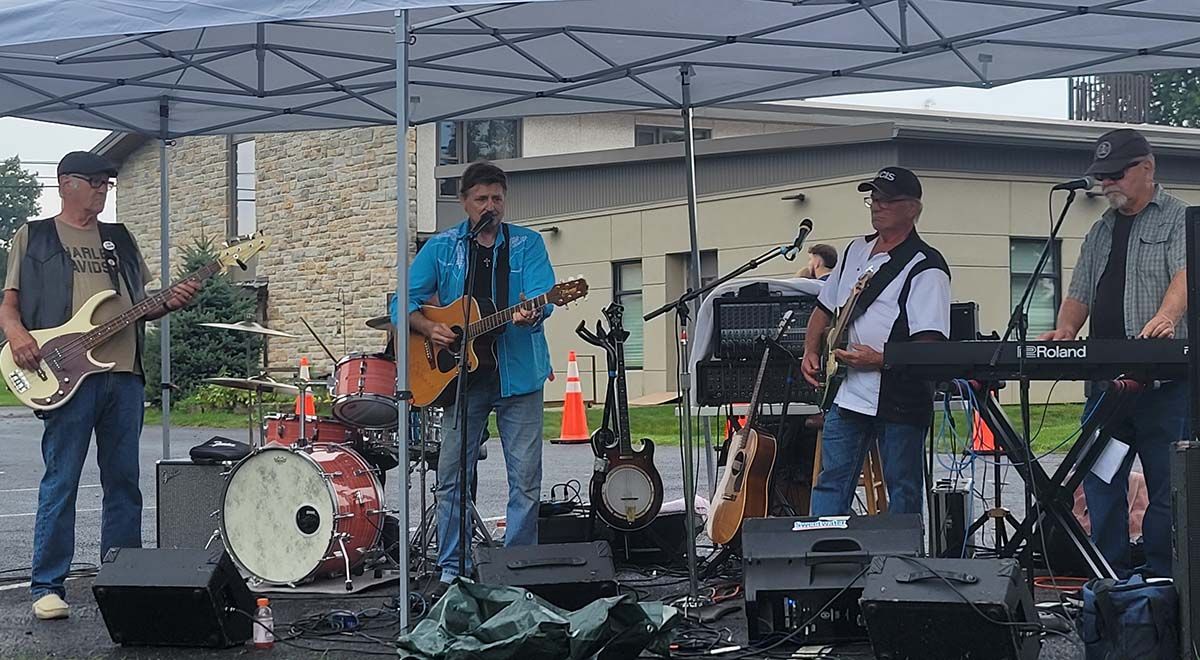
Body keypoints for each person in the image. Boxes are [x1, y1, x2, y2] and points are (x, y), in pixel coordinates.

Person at [0, 151, 200, 620]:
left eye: (106, 184)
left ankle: (122, 577)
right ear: (66, 183)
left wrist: (172, 302)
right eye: (94, 182)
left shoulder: (120, 239)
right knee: (62, 479)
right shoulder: (34, 235)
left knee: (124, 482)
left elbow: (142, 305)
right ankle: (47, 586)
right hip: (64, 373)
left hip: (123, 374)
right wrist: (17, 335)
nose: (102, 191)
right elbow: (9, 304)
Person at [392, 161, 556, 599]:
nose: (491, 206)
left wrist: (534, 312)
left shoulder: (528, 244)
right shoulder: (443, 247)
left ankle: (517, 565)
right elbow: (400, 301)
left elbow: (548, 297)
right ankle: (453, 567)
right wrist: (429, 329)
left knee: (525, 477)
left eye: (497, 198)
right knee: (451, 475)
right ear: (464, 202)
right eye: (481, 198)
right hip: (461, 379)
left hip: (518, 375)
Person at [1038, 128, 1188, 578]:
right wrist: (1066, 328)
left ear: (1147, 168)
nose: (1107, 184)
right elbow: (1080, 291)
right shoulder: (1100, 230)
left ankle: (1163, 585)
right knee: (1102, 482)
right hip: (1106, 386)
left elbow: (1186, 275)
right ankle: (1109, 580)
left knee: (1167, 488)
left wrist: (1168, 316)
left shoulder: (1179, 218)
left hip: (1165, 385)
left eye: (1116, 174)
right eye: (1101, 176)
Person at [800, 167, 950, 516]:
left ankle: (902, 564)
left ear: (912, 208)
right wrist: (810, 349)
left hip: (899, 396)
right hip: (849, 390)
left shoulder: (926, 265)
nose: (877, 206)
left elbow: (930, 345)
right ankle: (824, 556)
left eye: (887, 200)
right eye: (874, 199)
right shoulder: (854, 250)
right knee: (832, 479)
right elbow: (824, 306)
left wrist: (880, 360)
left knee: (903, 486)